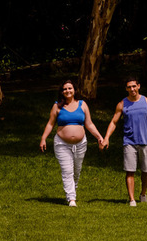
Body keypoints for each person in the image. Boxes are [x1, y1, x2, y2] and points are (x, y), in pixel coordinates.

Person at [39, 79, 104, 207]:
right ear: (62, 92)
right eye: (65, 89)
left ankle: (72, 190)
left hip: (81, 143)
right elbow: (50, 124)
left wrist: (99, 137)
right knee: (67, 170)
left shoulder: (82, 104)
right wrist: (43, 139)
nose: (67, 91)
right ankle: (71, 198)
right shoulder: (57, 106)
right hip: (62, 143)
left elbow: (89, 124)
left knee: (77, 170)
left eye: (70, 88)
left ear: (74, 90)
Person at [102, 76, 147, 206]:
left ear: (138, 86)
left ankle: (143, 193)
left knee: (146, 171)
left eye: (134, 86)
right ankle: (131, 199)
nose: (132, 89)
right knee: (130, 171)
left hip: (145, 141)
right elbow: (114, 122)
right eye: (129, 87)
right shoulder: (122, 104)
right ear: (126, 89)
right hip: (129, 142)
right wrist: (106, 138)